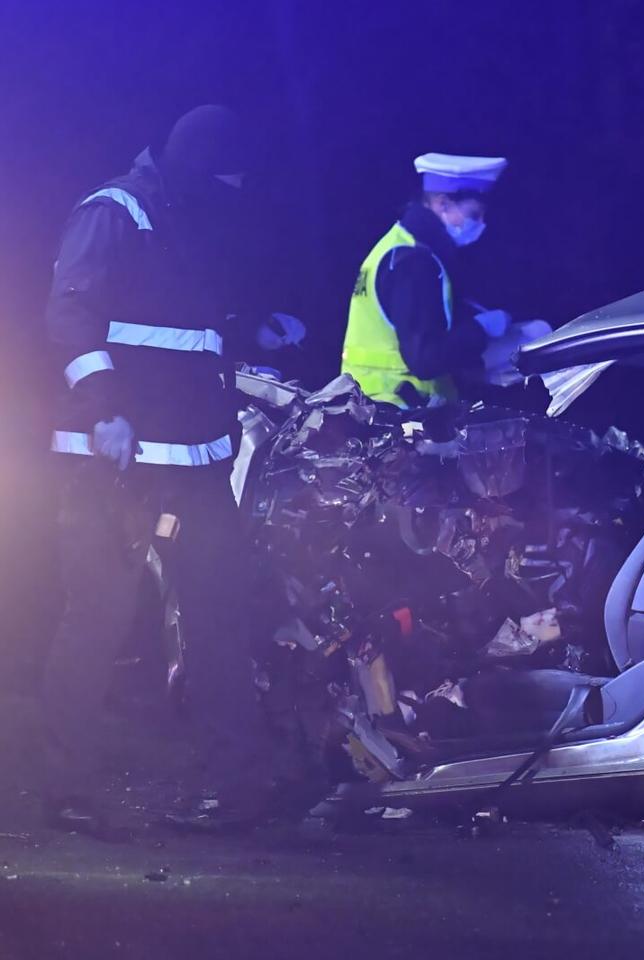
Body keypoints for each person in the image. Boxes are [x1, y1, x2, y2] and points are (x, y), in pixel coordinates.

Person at [44, 105, 303, 836]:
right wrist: (103, 409)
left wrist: (254, 330)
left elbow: (189, 326)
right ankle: (68, 791)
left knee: (220, 620)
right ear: (198, 167)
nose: (236, 192)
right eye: (228, 179)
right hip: (115, 467)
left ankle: (239, 790)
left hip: (195, 463)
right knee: (96, 619)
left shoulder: (193, 215)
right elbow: (69, 315)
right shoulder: (114, 211)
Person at [342, 152, 524, 407]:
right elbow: (425, 360)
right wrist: (481, 329)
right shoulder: (414, 261)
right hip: (396, 409)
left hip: (373, 404)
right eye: (474, 214)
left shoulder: (399, 245)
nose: (481, 224)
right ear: (443, 204)